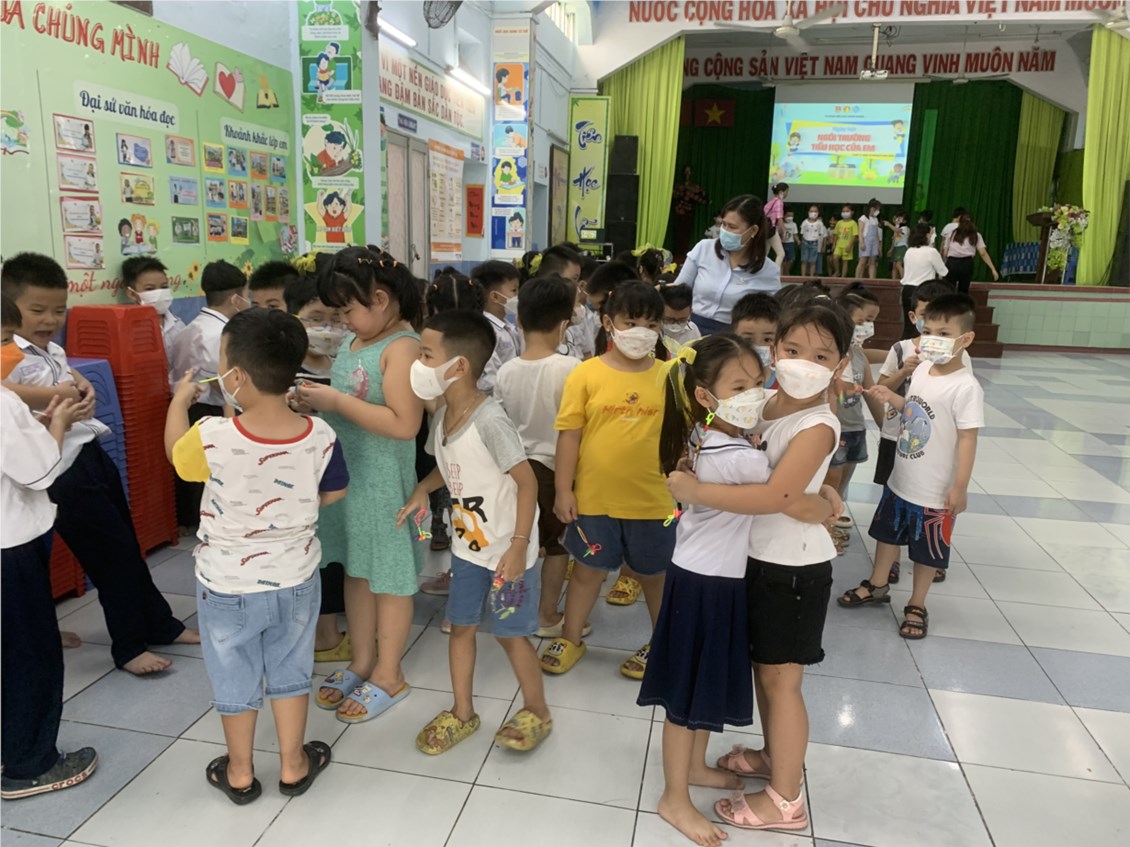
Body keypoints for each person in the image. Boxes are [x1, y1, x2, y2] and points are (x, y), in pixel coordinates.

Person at [667, 300, 853, 832]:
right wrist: (821, 498)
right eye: (792, 349)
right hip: (747, 561)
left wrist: (696, 491)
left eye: (821, 355)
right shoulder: (762, 399)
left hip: (790, 571)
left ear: (841, 364)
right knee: (764, 673)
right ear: (774, 349)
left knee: (781, 682)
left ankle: (786, 800)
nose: (803, 363)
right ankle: (776, 757)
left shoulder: (817, 424)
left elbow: (777, 496)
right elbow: (715, 430)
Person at [166, 309, 346, 804]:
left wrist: (179, 403)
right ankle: (293, 764)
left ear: (237, 377)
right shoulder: (321, 434)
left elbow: (179, 461)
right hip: (296, 578)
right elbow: (334, 492)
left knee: (234, 673)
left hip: (226, 584)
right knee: (290, 670)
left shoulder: (211, 435)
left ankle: (240, 772)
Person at [2, 253, 198, 675]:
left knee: (127, 545)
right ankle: (128, 647)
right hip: (59, 470)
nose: (49, 319)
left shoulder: (50, 348)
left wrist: (82, 385)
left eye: (58, 310)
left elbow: (67, 378)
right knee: (109, 556)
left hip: (88, 451)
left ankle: (159, 623)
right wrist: (59, 394)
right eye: (37, 310)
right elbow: (10, 391)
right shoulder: (8, 353)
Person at [400, 310, 553, 754]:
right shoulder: (443, 415)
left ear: (459, 366)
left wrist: (518, 547)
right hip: (468, 551)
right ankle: (462, 711)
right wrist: (422, 489)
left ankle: (538, 710)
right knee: (462, 626)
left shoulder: (490, 421)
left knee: (510, 633)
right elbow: (450, 467)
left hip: (509, 552)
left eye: (426, 355)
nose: (418, 365)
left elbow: (527, 483)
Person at [641, 334, 770, 845]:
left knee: (697, 684)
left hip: (701, 574)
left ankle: (694, 767)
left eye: (758, 382)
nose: (754, 394)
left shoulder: (705, 433)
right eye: (740, 386)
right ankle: (674, 798)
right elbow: (784, 490)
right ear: (704, 395)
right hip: (706, 584)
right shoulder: (740, 457)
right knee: (685, 696)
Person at [298, 248, 424, 723]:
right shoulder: (357, 340)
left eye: (347, 311)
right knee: (356, 569)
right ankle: (363, 660)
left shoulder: (402, 347)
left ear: (381, 298)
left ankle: (390, 672)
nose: (343, 322)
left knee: (388, 578)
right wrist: (316, 403)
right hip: (349, 477)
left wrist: (334, 401)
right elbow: (350, 401)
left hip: (383, 482)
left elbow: (404, 424)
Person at [542, 282, 673, 679]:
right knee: (587, 571)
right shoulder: (586, 373)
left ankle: (663, 646)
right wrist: (563, 490)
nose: (640, 332)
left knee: (655, 577)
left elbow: (693, 427)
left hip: (654, 502)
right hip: (594, 499)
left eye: (651, 324)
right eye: (630, 322)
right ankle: (570, 637)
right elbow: (569, 435)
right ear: (607, 322)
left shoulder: (671, 376)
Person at [839, 294, 983, 641]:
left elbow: (968, 438)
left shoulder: (966, 386)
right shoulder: (920, 370)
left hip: (935, 489)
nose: (933, 339)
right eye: (928, 331)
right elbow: (915, 408)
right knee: (886, 534)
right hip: (902, 477)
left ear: (965, 339)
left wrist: (960, 486)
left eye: (944, 334)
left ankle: (917, 603)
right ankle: (877, 584)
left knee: (927, 549)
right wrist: (893, 399)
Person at [1, 293, 97, 801]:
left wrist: (35, 431)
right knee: (30, 656)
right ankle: (29, 764)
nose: (10, 354)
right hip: (10, 549)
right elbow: (37, 473)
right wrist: (58, 423)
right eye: (4, 341)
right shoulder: (2, 402)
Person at [495, 276, 581, 638]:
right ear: (565, 325)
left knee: (521, 540)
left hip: (514, 471)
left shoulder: (506, 371)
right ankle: (547, 615)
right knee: (557, 546)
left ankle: (510, 610)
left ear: (518, 321)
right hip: (555, 472)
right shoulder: (572, 369)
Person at [875, 280, 964, 586]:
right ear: (914, 317)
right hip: (896, 437)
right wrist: (904, 371)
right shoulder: (900, 349)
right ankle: (891, 561)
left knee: (933, 500)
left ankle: (929, 558)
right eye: (926, 317)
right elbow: (882, 387)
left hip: (935, 446)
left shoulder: (958, 356)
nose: (932, 325)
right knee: (893, 497)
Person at [169, 261, 250, 527]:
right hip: (213, 408)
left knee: (190, 467)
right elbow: (222, 383)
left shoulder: (188, 328)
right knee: (208, 473)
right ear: (235, 298)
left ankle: (191, 520)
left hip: (186, 407)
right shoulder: (221, 333)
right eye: (246, 295)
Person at [824, 285, 884, 554]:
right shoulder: (829, 355)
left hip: (855, 428)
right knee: (831, 481)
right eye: (860, 322)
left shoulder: (858, 354)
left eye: (868, 322)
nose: (865, 328)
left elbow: (870, 392)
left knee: (843, 482)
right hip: (834, 429)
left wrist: (885, 428)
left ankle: (831, 521)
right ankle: (824, 531)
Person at [675, 195, 781, 334]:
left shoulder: (769, 270)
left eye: (732, 227)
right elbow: (679, 290)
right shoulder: (703, 248)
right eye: (723, 224)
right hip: (691, 328)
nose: (725, 231)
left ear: (753, 230)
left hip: (733, 337)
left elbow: (772, 316)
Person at [472, 260, 520, 393]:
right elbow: (489, 380)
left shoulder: (508, 327)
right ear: (495, 296)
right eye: (514, 290)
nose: (518, 296)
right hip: (500, 395)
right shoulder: (485, 330)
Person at [121, 256, 185, 357]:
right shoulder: (130, 331)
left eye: (164, 287)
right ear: (132, 294)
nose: (159, 293)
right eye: (150, 289)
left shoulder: (178, 325)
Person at [899, 223, 950, 338]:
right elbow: (943, 272)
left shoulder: (909, 251)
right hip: (923, 291)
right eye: (931, 233)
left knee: (909, 325)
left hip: (907, 289)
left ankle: (904, 346)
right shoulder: (931, 252)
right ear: (927, 235)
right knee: (925, 325)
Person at [730, 292, 780, 387]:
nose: (757, 347)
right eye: (748, 340)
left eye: (767, 340)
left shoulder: (784, 384)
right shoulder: (723, 382)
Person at [943, 214, 999, 293]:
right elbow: (983, 253)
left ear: (959, 223)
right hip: (967, 264)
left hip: (952, 262)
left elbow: (945, 253)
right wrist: (993, 269)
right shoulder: (976, 235)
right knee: (964, 290)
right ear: (973, 223)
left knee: (949, 289)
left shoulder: (951, 234)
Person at [659, 283, 702, 348]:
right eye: (669, 320)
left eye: (682, 320)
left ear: (690, 312)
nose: (676, 324)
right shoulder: (652, 329)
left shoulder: (693, 330)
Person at [763, 183, 789, 269]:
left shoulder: (771, 201)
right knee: (781, 254)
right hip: (772, 229)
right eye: (786, 191)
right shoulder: (779, 202)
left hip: (765, 229)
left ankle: (760, 271)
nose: (787, 194)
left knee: (765, 253)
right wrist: (784, 230)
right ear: (781, 192)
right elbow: (779, 218)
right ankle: (775, 272)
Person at [856, 199, 882, 280]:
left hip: (874, 241)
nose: (878, 211)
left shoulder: (875, 219)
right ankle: (856, 279)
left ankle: (872, 279)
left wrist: (878, 245)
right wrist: (861, 243)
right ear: (872, 208)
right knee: (862, 261)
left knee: (872, 261)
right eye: (877, 209)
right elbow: (860, 231)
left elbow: (877, 234)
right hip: (866, 241)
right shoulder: (863, 218)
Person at [799, 206, 826, 278]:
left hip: (814, 243)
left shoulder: (820, 223)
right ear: (808, 212)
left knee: (813, 261)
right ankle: (803, 276)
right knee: (804, 260)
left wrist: (821, 245)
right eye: (811, 211)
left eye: (815, 211)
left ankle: (811, 277)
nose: (813, 213)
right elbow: (802, 234)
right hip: (805, 242)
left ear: (818, 213)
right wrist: (801, 243)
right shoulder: (804, 222)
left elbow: (821, 235)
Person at [831, 205, 858, 278]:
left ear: (852, 212)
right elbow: (835, 234)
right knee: (835, 258)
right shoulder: (839, 223)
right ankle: (837, 271)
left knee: (845, 261)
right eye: (843, 211)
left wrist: (850, 245)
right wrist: (834, 244)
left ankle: (843, 277)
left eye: (847, 211)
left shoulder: (853, 223)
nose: (845, 213)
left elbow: (855, 236)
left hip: (847, 245)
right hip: (839, 244)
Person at [780, 209, 798, 273]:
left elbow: (795, 234)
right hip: (782, 243)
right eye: (788, 215)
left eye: (792, 216)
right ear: (784, 215)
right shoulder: (781, 224)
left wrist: (798, 241)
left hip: (790, 243)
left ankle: (786, 271)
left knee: (791, 259)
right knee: (783, 259)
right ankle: (782, 272)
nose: (790, 217)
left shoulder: (794, 224)